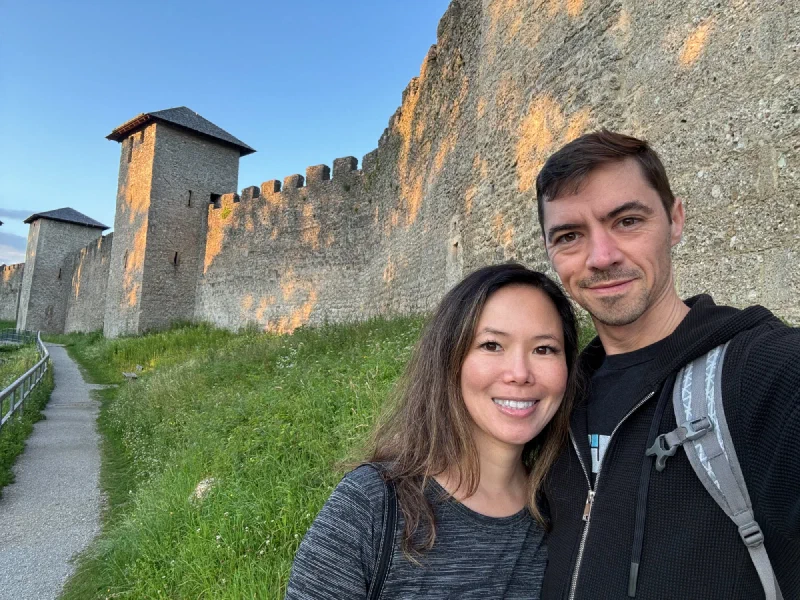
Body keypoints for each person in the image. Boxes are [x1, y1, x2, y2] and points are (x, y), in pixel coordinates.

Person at [535, 130, 800, 599]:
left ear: (675, 221)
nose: (601, 257)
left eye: (628, 221)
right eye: (570, 236)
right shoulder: (551, 401)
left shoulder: (768, 372)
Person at [285, 264, 581, 599]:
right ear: (449, 358)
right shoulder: (372, 505)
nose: (519, 373)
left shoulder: (565, 513)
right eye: (491, 345)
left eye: (544, 349)